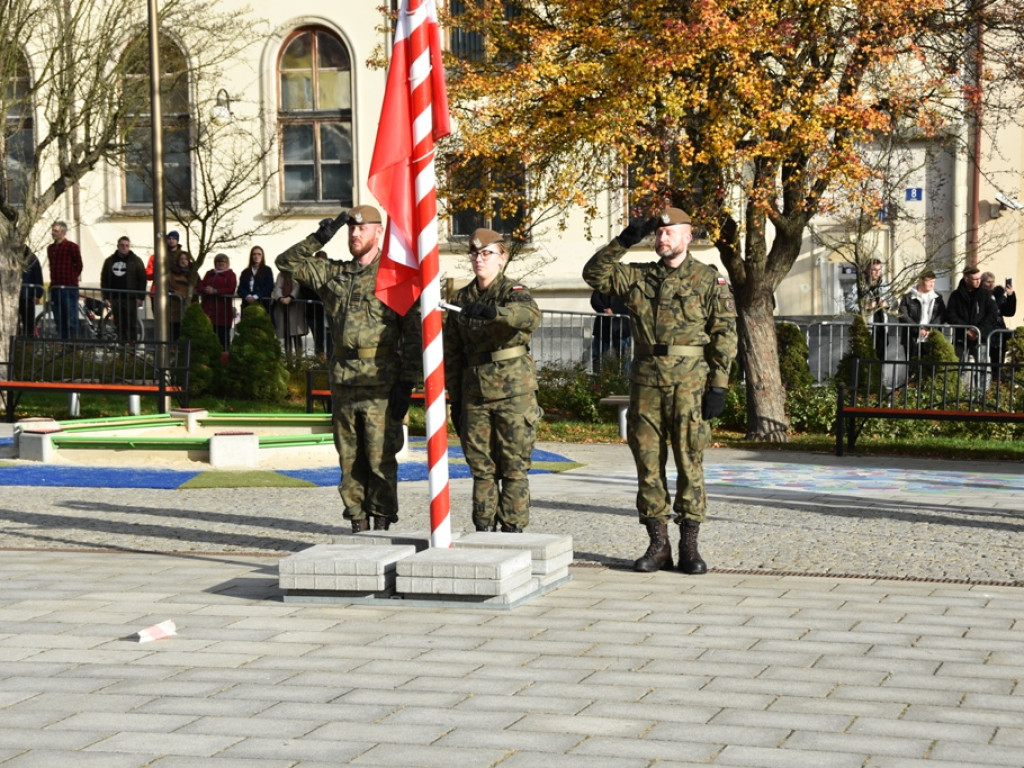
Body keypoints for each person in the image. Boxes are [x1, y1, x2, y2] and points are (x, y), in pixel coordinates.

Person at [583, 207, 737, 575]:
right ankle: (658, 544)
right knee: (648, 464)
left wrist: (719, 385)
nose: (661, 238)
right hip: (647, 382)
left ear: (688, 237)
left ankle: (689, 546)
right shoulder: (638, 277)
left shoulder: (707, 279)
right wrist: (624, 240)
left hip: (690, 383)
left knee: (689, 462)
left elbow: (725, 336)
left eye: (670, 233)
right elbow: (593, 274)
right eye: (658, 233)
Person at [275, 206, 421, 532]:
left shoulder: (394, 276)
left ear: (378, 232)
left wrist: (407, 383)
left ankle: (381, 523)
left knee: (380, 458)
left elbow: (413, 334)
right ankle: (357, 520)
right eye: (350, 230)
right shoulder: (334, 274)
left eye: (362, 229)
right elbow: (286, 263)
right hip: (344, 379)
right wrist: (319, 237)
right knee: (349, 458)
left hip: (381, 381)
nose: (355, 235)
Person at [444, 228, 544, 533]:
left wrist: (493, 313)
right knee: (481, 468)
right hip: (475, 393)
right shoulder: (461, 299)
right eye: (474, 254)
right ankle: (484, 528)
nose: (479, 259)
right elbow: (453, 352)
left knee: (514, 467)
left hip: (514, 392)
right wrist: (456, 400)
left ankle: (513, 530)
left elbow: (529, 316)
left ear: (502, 259)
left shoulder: (513, 291)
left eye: (487, 254)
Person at [945, 266, 998, 362]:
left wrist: (978, 330)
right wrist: (966, 329)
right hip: (961, 338)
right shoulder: (956, 295)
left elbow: (992, 315)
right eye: (975, 279)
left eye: (980, 279)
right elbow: (951, 315)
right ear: (966, 279)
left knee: (982, 370)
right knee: (958, 368)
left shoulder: (986, 295)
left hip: (981, 338)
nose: (979, 281)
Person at [100, 236, 147, 342]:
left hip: (130, 298)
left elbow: (142, 279)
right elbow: (104, 280)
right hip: (115, 298)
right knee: (119, 325)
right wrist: (105, 297)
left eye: (127, 245)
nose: (124, 248)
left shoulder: (136, 261)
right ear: (118, 246)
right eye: (122, 245)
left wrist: (141, 297)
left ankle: (131, 349)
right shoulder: (109, 261)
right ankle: (122, 348)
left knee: (131, 324)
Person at [845, 258, 891, 360]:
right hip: (865, 328)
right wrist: (866, 307)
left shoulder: (885, 286)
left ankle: (879, 376)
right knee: (864, 359)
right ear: (866, 270)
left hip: (882, 328)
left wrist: (886, 304)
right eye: (874, 270)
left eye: (879, 270)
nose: (877, 273)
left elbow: (895, 303)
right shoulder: (857, 287)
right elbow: (848, 306)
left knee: (880, 360)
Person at [896, 269, 946, 359]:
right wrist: (918, 329)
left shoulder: (938, 298)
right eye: (929, 281)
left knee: (930, 368)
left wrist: (931, 328)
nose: (932, 284)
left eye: (933, 281)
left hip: (931, 337)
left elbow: (941, 315)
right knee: (913, 366)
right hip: (912, 338)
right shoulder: (908, 297)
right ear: (920, 281)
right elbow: (903, 316)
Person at [46, 220, 83, 339]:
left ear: (63, 232)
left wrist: (71, 278)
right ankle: (63, 343)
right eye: (53, 230)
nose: (53, 233)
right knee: (59, 318)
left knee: (71, 317)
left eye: (55, 231)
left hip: (69, 288)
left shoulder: (72, 247)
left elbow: (79, 265)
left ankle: (74, 345)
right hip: (56, 287)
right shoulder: (50, 248)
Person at [197, 253, 238, 351]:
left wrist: (216, 291)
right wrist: (206, 289)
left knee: (223, 339)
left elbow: (231, 289)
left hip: (222, 313)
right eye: (218, 262)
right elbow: (200, 286)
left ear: (227, 263)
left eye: (223, 262)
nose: (220, 264)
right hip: (208, 311)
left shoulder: (230, 275)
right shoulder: (209, 273)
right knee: (207, 339)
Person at [981, 271, 1016, 372]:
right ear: (982, 282)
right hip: (985, 333)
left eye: (993, 281)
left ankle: (996, 383)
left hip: (998, 334)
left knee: (998, 363)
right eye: (988, 282)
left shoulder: (999, 296)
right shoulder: (979, 296)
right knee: (983, 364)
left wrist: (1011, 296)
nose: (991, 284)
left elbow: (1009, 312)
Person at [590, 289, 631, 373]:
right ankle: (598, 383)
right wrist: (604, 310)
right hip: (603, 326)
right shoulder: (602, 284)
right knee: (598, 356)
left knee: (624, 358)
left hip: (621, 327)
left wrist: (614, 310)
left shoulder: (626, 283)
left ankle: (624, 383)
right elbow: (594, 300)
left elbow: (631, 302)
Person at [271, 270, 308, 357]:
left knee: (297, 335)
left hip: (296, 308)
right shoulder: (281, 274)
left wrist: (290, 297)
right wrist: (280, 298)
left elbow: (297, 286)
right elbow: (277, 287)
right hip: (283, 308)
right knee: (287, 335)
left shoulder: (297, 272)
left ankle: (299, 361)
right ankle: (289, 361)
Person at [238, 245, 274, 314]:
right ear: (251, 256)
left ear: (262, 256)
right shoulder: (245, 272)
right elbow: (241, 288)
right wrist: (247, 296)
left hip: (262, 304)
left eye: (259, 254)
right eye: (254, 254)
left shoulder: (267, 270)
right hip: (247, 305)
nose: (256, 256)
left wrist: (256, 296)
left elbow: (269, 286)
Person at [167, 250, 195, 341]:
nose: (184, 261)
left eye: (186, 259)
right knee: (174, 334)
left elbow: (198, 287)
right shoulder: (171, 274)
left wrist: (189, 294)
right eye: (181, 259)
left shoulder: (194, 274)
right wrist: (177, 293)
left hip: (189, 308)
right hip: (174, 309)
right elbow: (166, 287)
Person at [19, 247, 44, 336]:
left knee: (28, 323)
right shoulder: (12, 258)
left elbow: (38, 277)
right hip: (18, 295)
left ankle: (28, 344)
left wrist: (38, 294)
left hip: (27, 296)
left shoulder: (32, 259)